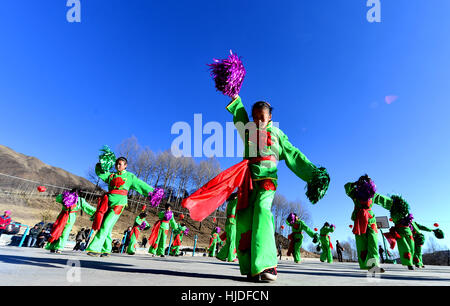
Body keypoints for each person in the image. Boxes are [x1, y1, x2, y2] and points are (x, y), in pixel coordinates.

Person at [87, 150, 163, 257]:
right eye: (117, 164)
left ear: (125, 165)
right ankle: (106, 249)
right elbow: (101, 173)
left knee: (105, 225)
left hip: (119, 204)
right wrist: (102, 163)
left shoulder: (130, 177)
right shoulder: (111, 176)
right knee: (107, 228)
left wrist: (153, 191)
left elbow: (140, 185)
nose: (118, 166)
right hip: (107, 203)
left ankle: (95, 248)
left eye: (120, 164)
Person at [344, 175, 394, 272]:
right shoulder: (355, 193)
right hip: (359, 220)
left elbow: (383, 200)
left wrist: (394, 204)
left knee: (373, 242)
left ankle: (373, 265)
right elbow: (346, 187)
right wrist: (354, 183)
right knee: (361, 243)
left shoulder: (372, 194)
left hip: (371, 220)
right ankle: (365, 264)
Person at [45, 189, 96, 254]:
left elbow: (57, 198)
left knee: (57, 230)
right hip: (70, 217)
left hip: (62, 216)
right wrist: (97, 211)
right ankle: (59, 248)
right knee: (65, 233)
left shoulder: (64, 196)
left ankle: (52, 246)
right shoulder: (80, 200)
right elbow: (89, 208)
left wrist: (64, 195)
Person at [216, 193, 238, 262]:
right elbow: (239, 199)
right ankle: (231, 257)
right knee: (232, 241)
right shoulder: (234, 202)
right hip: (232, 223)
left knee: (229, 241)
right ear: (234, 197)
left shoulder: (229, 203)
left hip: (229, 223)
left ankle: (221, 255)